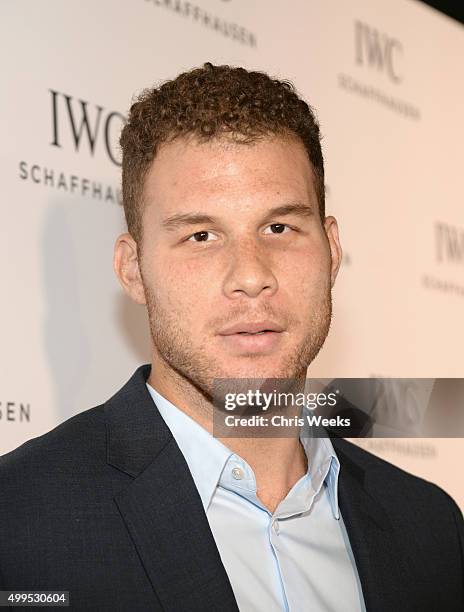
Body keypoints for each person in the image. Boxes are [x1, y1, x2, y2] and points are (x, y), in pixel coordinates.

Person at [0, 63, 462, 612]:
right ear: (132, 270)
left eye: (279, 228)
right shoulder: (18, 522)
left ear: (332, 250)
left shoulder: (431, 526)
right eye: (201, 235)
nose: (250, 275)